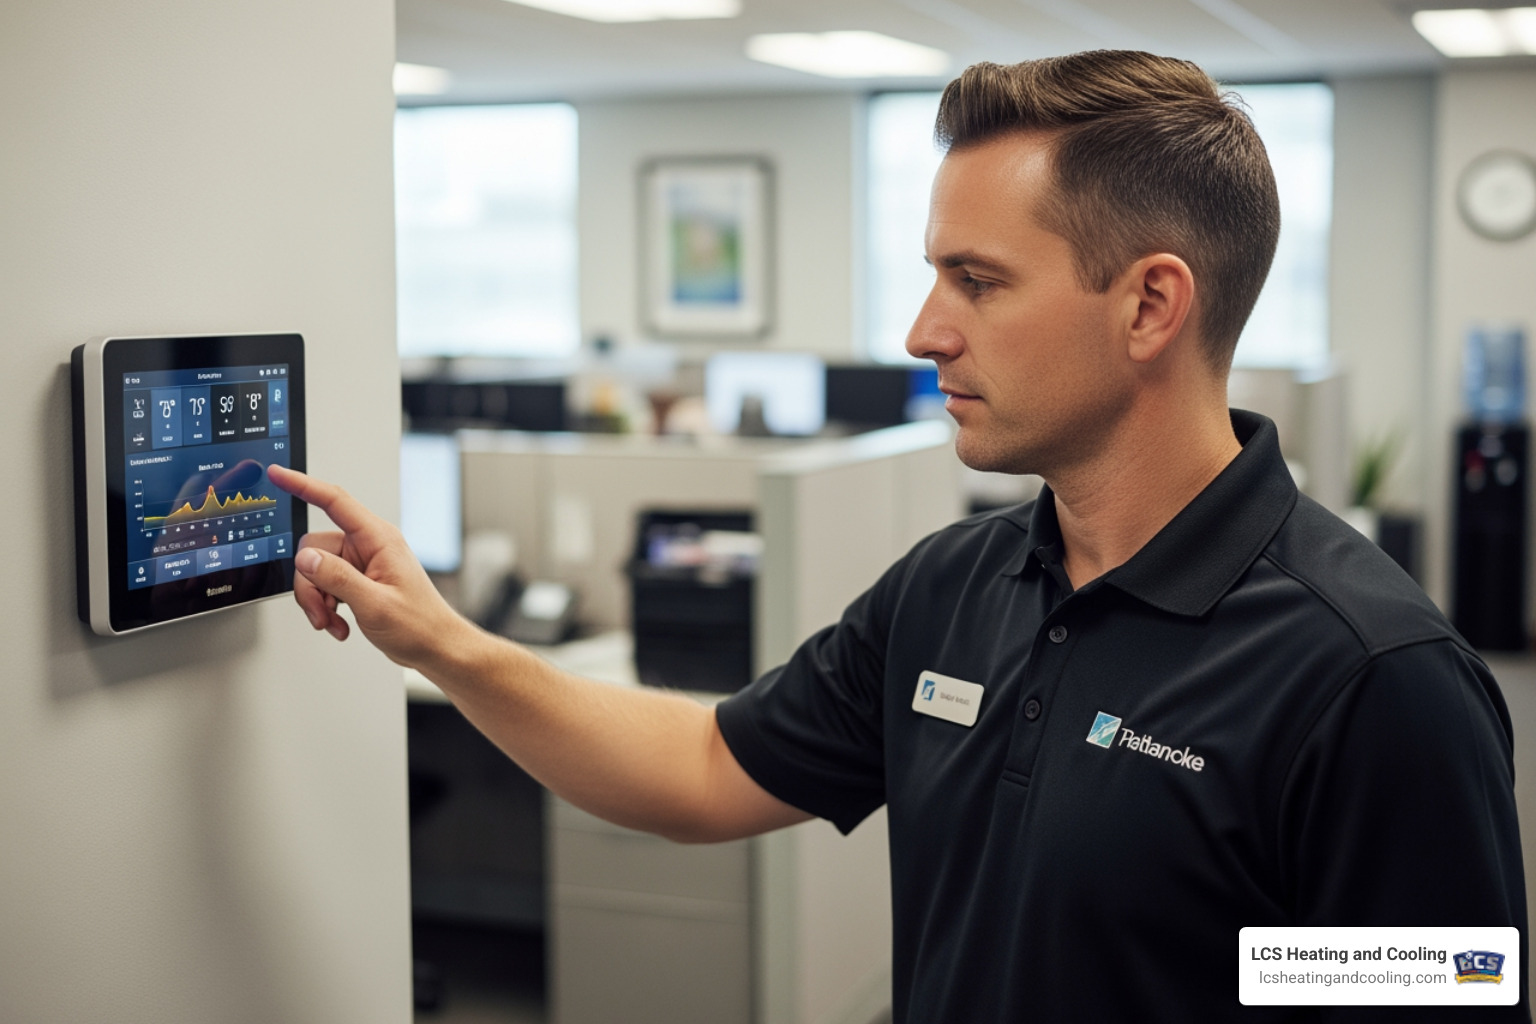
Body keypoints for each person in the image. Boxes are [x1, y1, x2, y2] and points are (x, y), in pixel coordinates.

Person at [271, 50, 1529, 1023]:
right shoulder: (956, 585)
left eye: (977, 281)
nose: (925, 332)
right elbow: (705, 767)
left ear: (1151, 303)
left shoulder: (1371, 681)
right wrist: (440, 640)